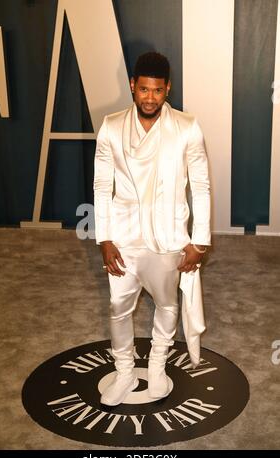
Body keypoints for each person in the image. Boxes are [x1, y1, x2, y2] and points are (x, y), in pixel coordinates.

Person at [93, 52, 211, 407]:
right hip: (124, 236)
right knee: (118, 305)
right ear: (133, 85)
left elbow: (201, 185)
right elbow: (102, 186)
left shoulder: (187, 126)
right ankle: (126, 371)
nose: (149, 98)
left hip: (169, 236)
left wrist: (200, 242)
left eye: (157, 91)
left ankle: (158, 365)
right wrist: (104, 238)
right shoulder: (111, 126)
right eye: (143, 89)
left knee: (166, 304)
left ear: (167, 88)